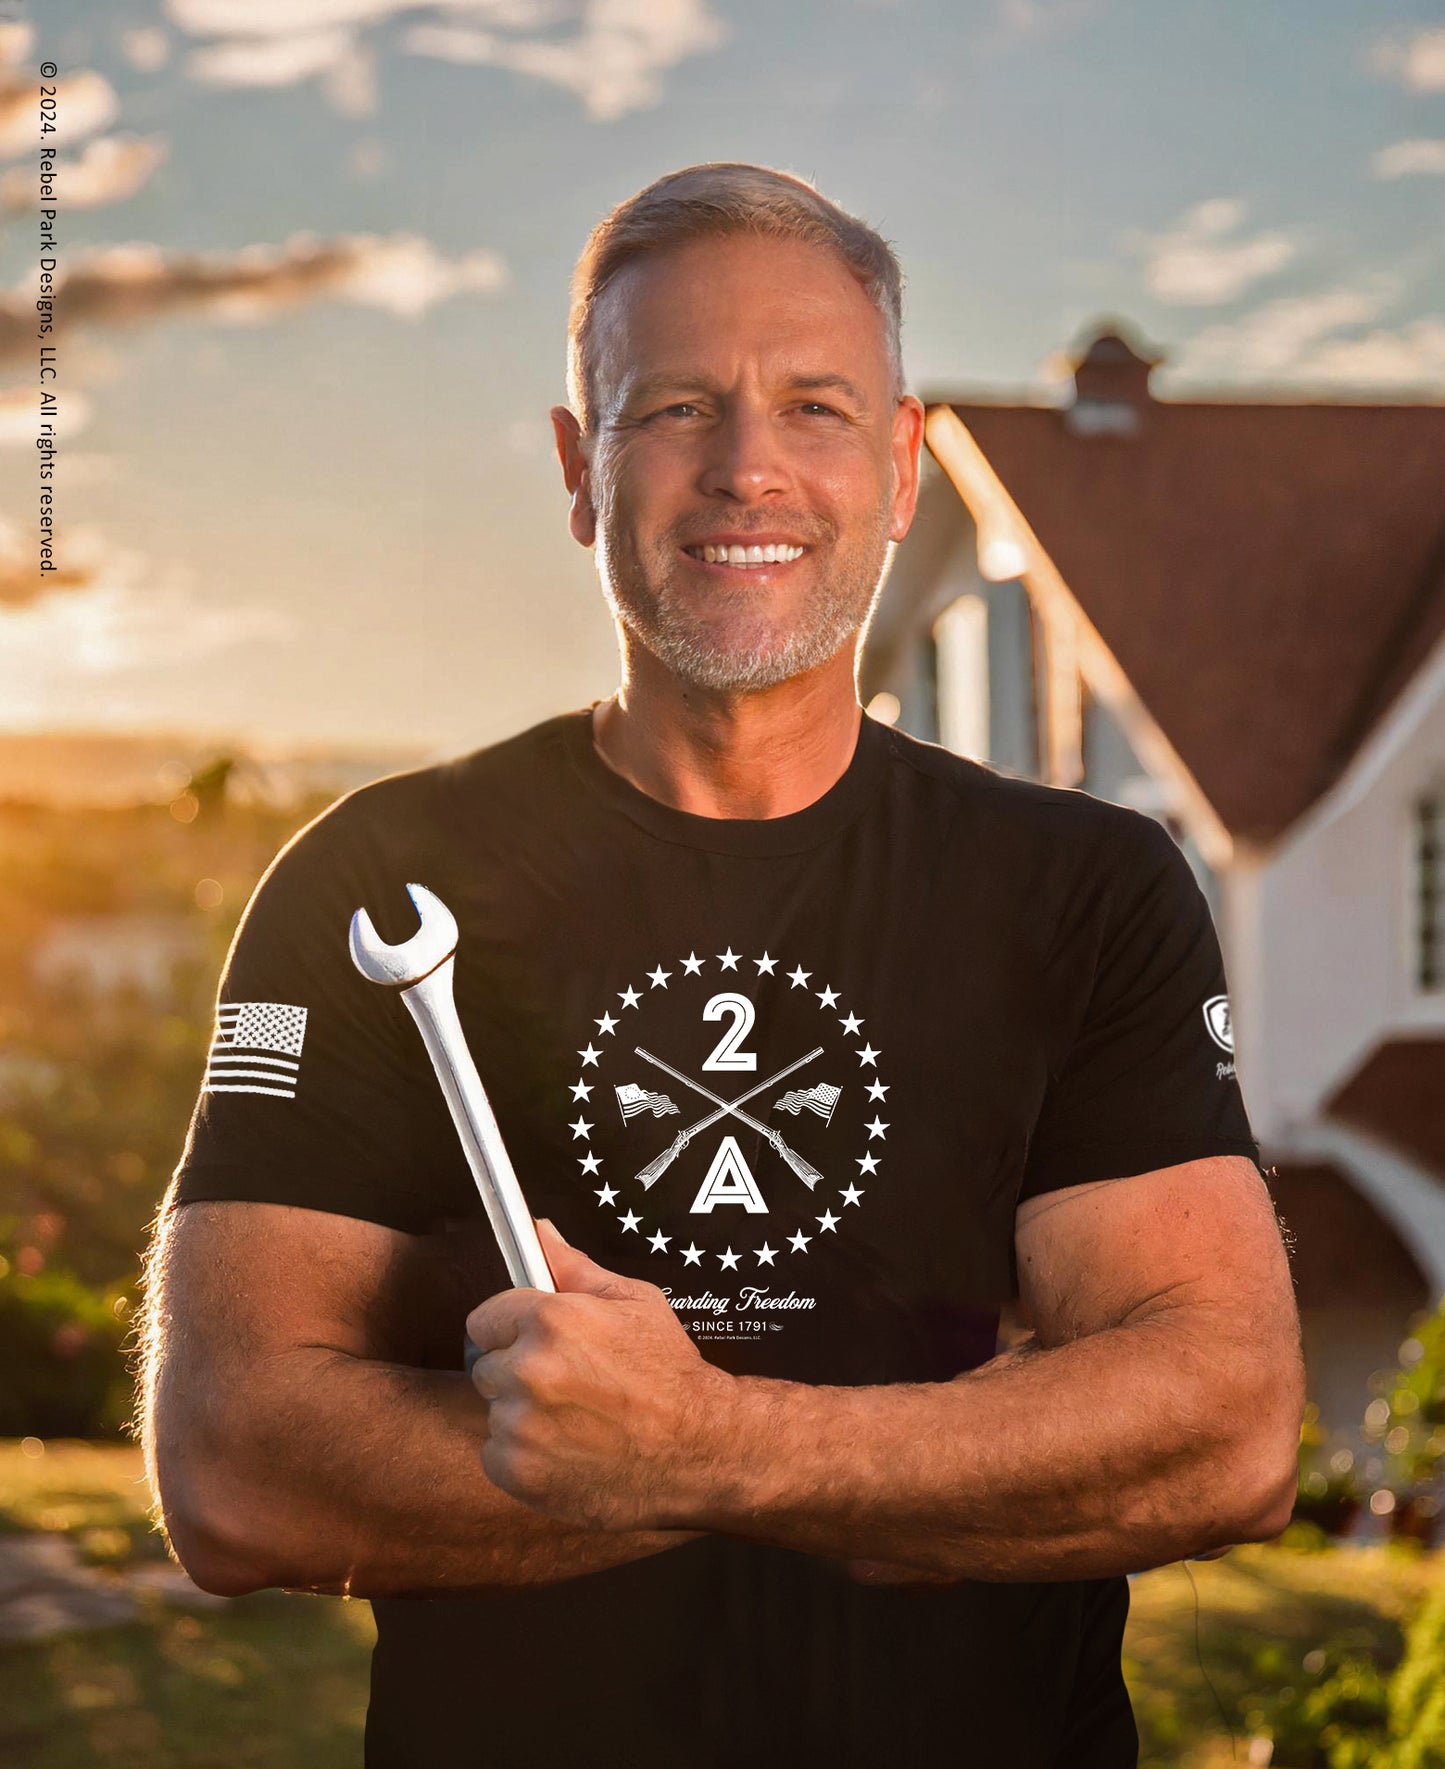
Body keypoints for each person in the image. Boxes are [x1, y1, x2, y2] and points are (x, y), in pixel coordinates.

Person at [140, 162, 1305, 1769]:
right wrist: (966, 1444)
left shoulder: (1085, 890)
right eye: (674, 408)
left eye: (815, 408)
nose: (746, 469)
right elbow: (235, 1470)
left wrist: (697, 1443)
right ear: (578, 464)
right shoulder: (377, 881)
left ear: (901, 468)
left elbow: (1224, 1432)